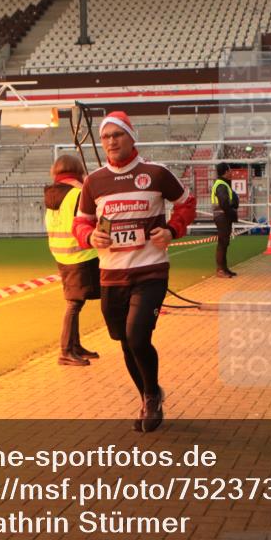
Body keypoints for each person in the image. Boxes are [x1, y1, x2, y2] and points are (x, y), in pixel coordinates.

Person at [72, 111, 196, 433]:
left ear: (131, 136)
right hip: (111, 275)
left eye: (118, 135)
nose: (112, 141)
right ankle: (146, 396)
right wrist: (89, 236)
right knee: (124, 342)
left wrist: (172, 229)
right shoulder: (94, 181)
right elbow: (80, 222)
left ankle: (152, 396)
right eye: (106, 137)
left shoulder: (156, 174)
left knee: (137, 335)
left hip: (150, 271)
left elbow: (187, 203)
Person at [44, 153, 100, 366]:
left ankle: (74, 345)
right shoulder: (78, 193)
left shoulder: (52, 194)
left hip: (62, 254)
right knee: (74, 303)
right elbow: (94, 219)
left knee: (77, 301)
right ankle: (66, 350)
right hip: (82, 253)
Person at [211, 162, 239, 278]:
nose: (231, 172)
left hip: (223, 215)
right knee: (222, 243)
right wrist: (232, 213)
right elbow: (224, 203)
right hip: (222, 216)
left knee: (225, 243)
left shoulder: (223, 184)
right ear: (226, 172)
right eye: (230, 170)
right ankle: (221, 270)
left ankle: (224, 268)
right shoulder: (221, 185)